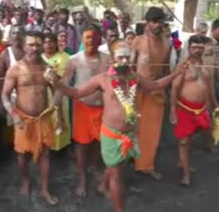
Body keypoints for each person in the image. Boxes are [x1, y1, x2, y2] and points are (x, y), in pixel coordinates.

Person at [45, 39, 183, 212]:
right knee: (117, 174)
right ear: (112, 59)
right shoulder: (102, 80)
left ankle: (102, 186)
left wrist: (176, 73)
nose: (124, 61)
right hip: (111, 134)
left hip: (130, 133)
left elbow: (155, 85)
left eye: (127, 57)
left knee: (117, 166)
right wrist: (57, 83)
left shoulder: (134, 77)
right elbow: (76, 92)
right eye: (120, 57)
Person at [1, 31, 59, 205]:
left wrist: (53, 107)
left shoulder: (48, 68)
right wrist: (13, 115)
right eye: (31, 44)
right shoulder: (15, 69)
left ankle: (44, 189)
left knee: (46, 154)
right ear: (24, 46)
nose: (34, 48)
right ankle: (26, 181)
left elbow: (59, 91)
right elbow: (4, 96)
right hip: (22, 118)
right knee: (22, 154)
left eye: (37, 44)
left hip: (43, 119)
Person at [62, 24, 110, 197]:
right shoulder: (74, 59)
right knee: (82, 145)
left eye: (95, 37)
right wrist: (55, 102)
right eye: (88, 37)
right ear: (82, 39)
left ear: (100, 39)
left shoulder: (108, 59)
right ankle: (82, 178)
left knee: (99, 142)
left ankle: (95, 167)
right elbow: (66, 83)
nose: (91, 40)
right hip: (82, 107)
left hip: (102, 108)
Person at [170, 35, 219, 185]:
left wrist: (215, 105)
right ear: (189, 48)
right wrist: (172, 110)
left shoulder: (207, 66)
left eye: (200, 47)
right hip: (184, 108)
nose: (197, 50)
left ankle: (182, 161)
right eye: (194, 47)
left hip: (201, 109)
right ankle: (186, 175)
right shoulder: (182, 66)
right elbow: (174, 88)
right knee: (184, 141)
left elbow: (210, 88)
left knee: (191, 137)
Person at [130, 7, 171, 180]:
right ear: (147, 23)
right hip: (137, 91)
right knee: (134, 128)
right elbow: (130, 67)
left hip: (155, 92)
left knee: (152, 131)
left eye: (160, 21)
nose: (157, 25)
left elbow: (166, 70)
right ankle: (133, 157)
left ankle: (147, 164)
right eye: (154, 21)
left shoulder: (166, 44)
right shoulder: (138, 41)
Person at [41, 33, 71, 151]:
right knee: (47, 120)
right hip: (44, 95)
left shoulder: (65, 56)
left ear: (56, 43)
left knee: (60, 118)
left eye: (51, 42)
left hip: (60, 92)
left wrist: (53, 76)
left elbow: (65, 77)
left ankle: (61, 148)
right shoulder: (39, 58)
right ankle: (46, 146)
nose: (48, 44)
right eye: (45, 42)